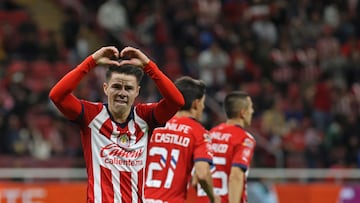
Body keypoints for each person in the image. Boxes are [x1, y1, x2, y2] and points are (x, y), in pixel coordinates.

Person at [49, 46, 185, 203]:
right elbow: (57, 96)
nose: (122, 93)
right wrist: (91, 61)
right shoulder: (91, 115)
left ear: (137, 92)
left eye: (128, 88)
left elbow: (176, 101)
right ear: (105, 88)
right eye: (116, 86)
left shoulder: (145, 117)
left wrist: (148, 65)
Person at [144, 76, 220, 203]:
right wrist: (213, 197)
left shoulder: (154, 126)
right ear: (196, 103)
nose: (203, 107)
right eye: (203, 102)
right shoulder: (198, 132)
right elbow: (202, 174)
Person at [196, 91, 256, 203]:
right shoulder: (244, 139)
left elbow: (196, 178)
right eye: (251, 108)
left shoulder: (208, 135)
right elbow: (236, 176)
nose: (252, 111)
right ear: (243, 112)